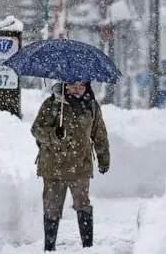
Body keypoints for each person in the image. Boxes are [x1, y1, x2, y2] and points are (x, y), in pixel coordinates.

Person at [31, 81, 110, 251]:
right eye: (73, 86)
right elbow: (36, 129)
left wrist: (104, 159)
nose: (77, 90)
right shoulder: (52, 104)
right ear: (65, 86)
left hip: (80, 167)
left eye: (81, 86)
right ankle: (49, 248)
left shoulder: (92, 106)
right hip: (53, 167)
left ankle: (87, 247)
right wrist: (53, 134)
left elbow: (100, 134)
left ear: (87, 87)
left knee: (83, 205)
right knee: (51, 208)